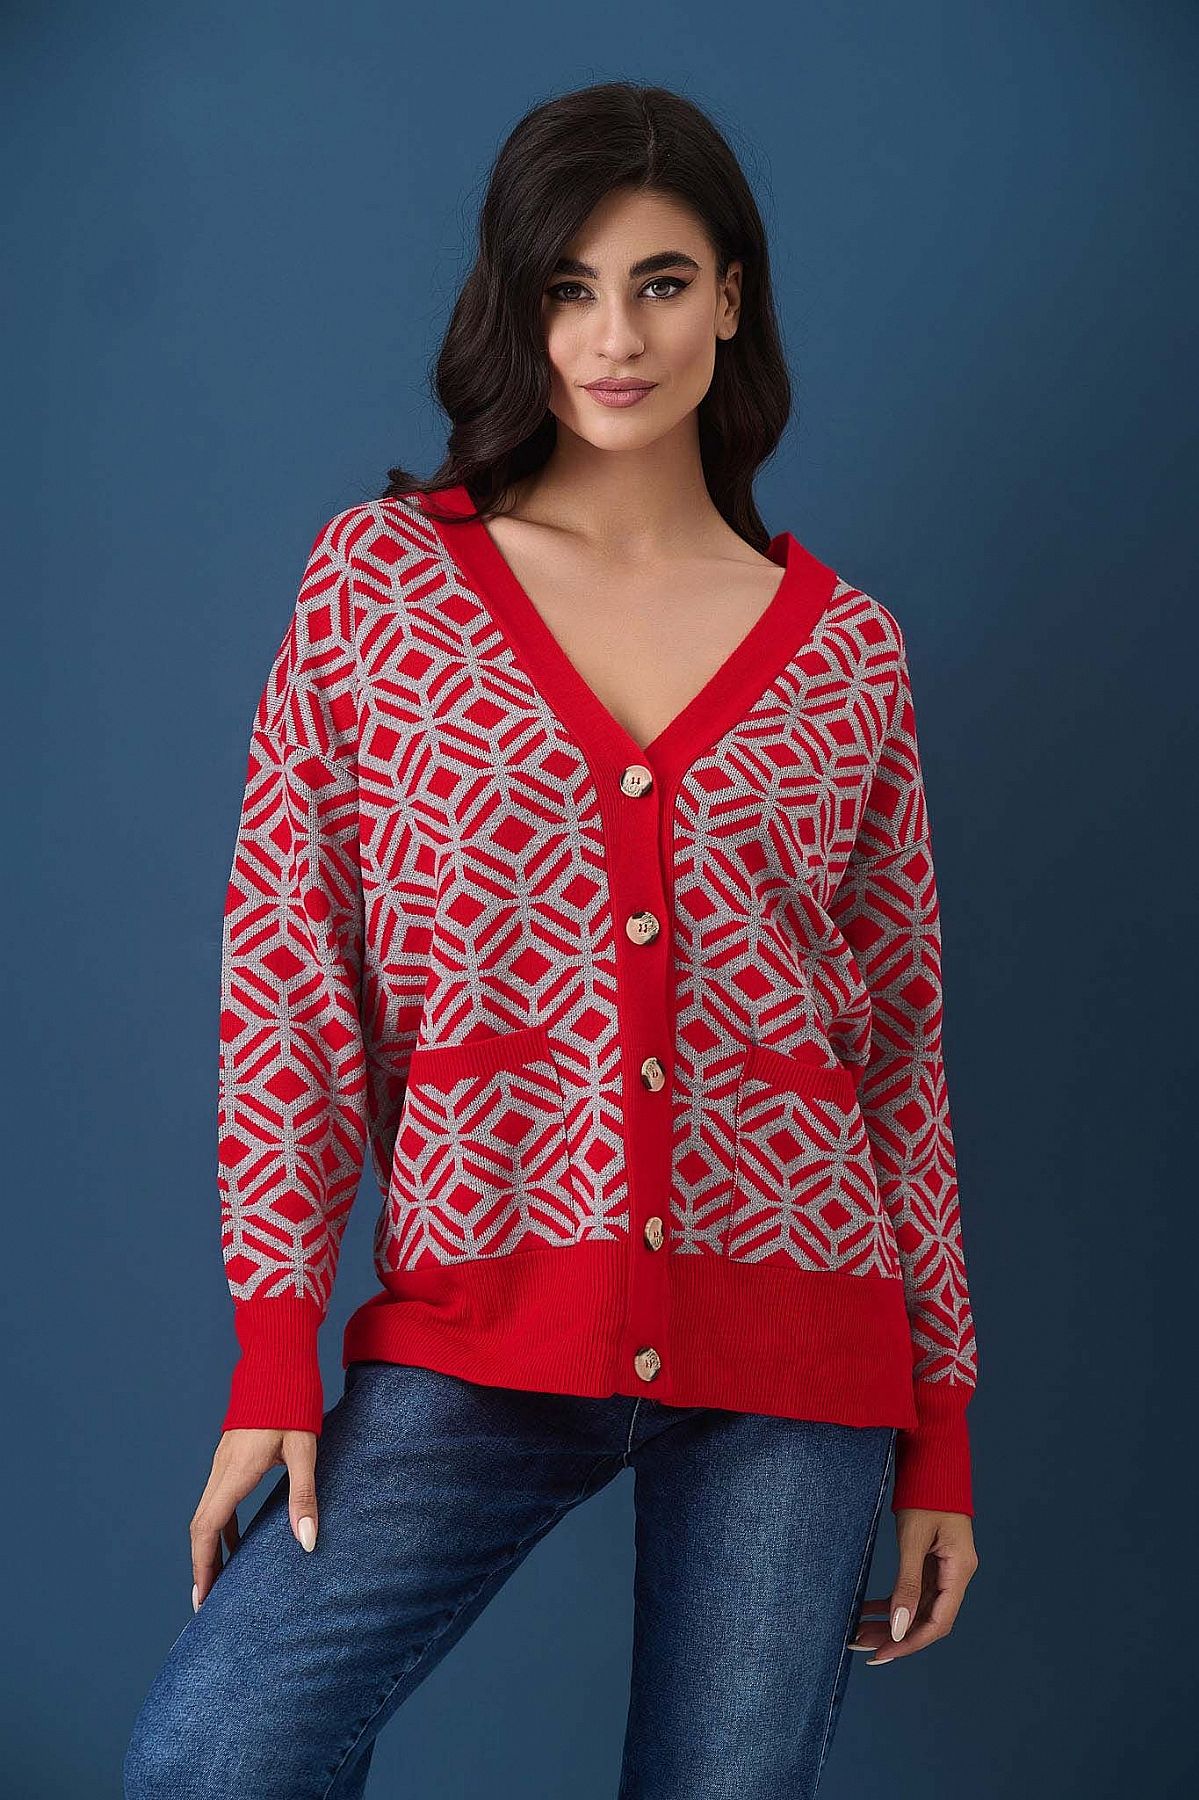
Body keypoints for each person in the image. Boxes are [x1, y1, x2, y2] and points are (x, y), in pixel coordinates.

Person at [124, 78, 980, 1800]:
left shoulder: (847, 653)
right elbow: (291, 973)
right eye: (567, 288)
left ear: (730, 296)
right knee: (213, 1759)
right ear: (514, 306)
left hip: (802, 1347)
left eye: (660, 282)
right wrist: (271, 1348)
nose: (614, 338)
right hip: (484, 1313)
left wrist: (943, 1430)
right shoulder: (383, 588)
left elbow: (894, 1052)